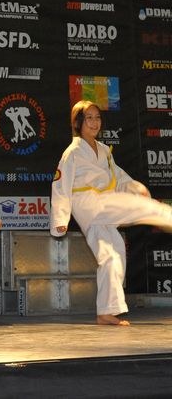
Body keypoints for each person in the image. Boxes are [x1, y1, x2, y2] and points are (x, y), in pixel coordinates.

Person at [50, 100, 172, 327]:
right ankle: (167, 216)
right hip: (88, 202)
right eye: (89, 118)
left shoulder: (104, 150)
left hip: (101, 206)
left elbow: (118, 176)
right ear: (78, 122)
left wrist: (134, 187)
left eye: (97, 118)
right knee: (138, 206)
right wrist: (60, 218)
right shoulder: (72, 152)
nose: (94, 122)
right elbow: (60, 185)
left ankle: (106, 312)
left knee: (112, 256)